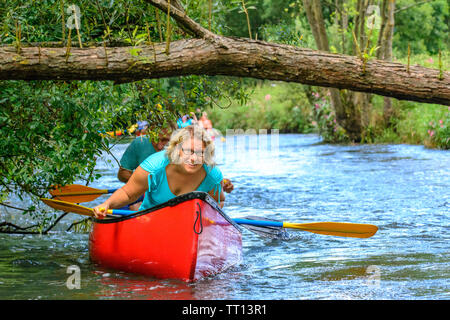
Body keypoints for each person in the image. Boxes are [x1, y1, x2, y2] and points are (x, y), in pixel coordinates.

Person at [94, 125, 228, 218]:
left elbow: (218, 203)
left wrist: (206, 218)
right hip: (149, 221)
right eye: (188, 151)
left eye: (200, 153)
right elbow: (128, 194)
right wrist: (107, 204)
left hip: (191, 226)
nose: (194, 159)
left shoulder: (213, 175)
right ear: (177, 149)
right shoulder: (154, 166)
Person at [117, 123, 174, 210]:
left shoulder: (184, 148)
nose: (159, 146)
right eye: (155, 139)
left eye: (165, 140)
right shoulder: (139, 143)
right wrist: (142, 184)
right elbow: (122, 174)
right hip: (143, 193)